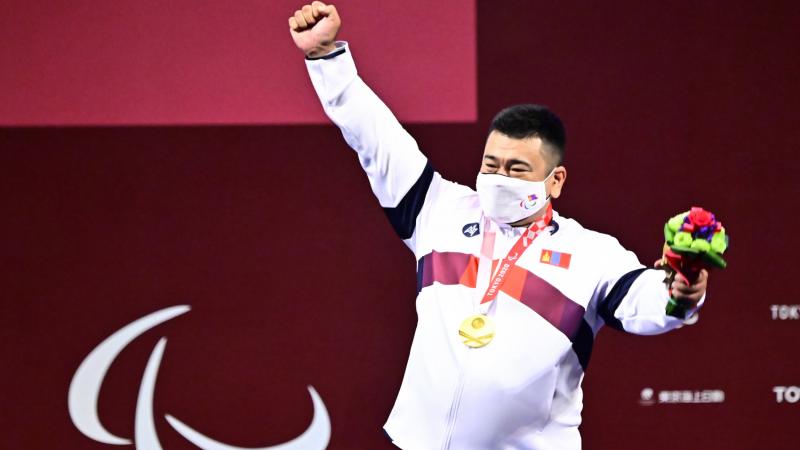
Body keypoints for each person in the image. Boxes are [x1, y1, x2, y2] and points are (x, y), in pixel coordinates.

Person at [288, 3, 708, 449]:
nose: (498, 178)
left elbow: (644, 298)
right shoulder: (439, 210)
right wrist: (326, 56)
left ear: (555, 181)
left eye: (517, 168)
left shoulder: (592, 255)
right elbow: (374, 136)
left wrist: (678, 296)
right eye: (491, 164)